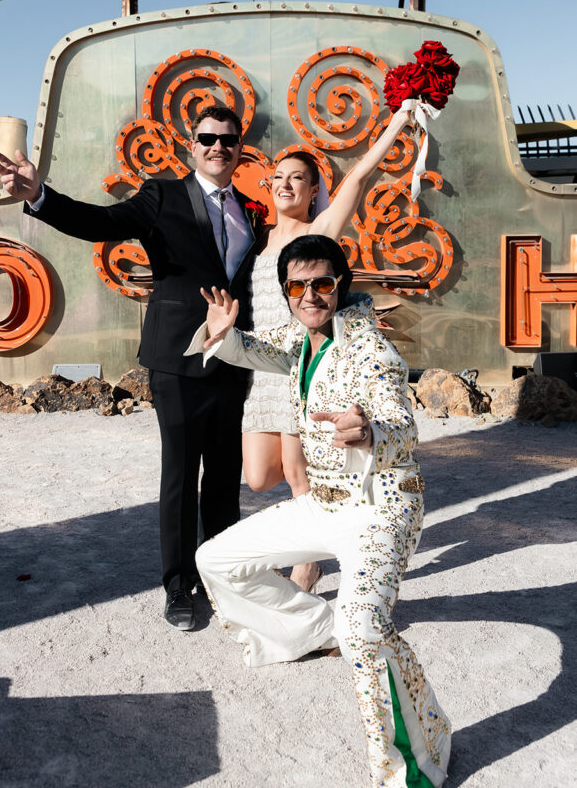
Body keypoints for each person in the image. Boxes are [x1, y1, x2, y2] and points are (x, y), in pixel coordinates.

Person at [186, 234, 451, 788]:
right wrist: (225, 334)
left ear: (341, 287)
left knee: (363, 632)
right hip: (322, 504)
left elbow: (403, 424)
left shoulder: (371, 348)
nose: (310, 295)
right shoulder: (301, 336)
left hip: (381, 506)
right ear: (287, 291)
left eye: (322, 284)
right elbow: (263, 349)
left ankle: (418, 763)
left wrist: (371, 430)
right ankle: (311, 630)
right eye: (298, 286)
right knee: (216, 559)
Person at [0, 106, 259, 632]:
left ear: (239, 148)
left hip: (232, 358)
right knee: (181, 476)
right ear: (192, 145)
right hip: (177, 356)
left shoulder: (250, 209)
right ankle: (178, 587)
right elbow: (102, 223)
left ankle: (221, 577)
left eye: (228, 140)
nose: (217, 147)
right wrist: (39, 196)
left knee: (226, 477)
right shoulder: (162, 195)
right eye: (207, 138)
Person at [243, 104, 414, 592]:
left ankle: (309, 563)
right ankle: (321, 535)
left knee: (301, 476)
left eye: (298, 178)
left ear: (313, 189)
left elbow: (360, 177)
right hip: (261, 371)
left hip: (302, 365)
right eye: (279, 177)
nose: (286, 184)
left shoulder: (316, 236)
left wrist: (401, 121)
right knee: (258, 477)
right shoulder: (255, 239)